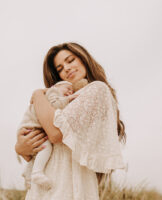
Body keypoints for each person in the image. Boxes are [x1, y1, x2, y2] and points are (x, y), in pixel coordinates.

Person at [15, 42, 126, 200]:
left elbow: (55, 134)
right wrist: (20, 148)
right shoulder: (57, 102)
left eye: (70, 60)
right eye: (59, 68)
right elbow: (36, 142)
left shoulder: (97, 89)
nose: (66, 68)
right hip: (42, 188)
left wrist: (38, 94)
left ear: (83, 59)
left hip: (70, 188)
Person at [19, 80, 78, 190]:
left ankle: (28, 174)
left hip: (31, 127)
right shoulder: (52, 92)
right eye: (67, 88)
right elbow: (54, 104)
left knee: (38, 153)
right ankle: (37, 173)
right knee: (46, 147)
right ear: (56, 86)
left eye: (72, 90)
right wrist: (69, 99)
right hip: (32, 127)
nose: (70, 91)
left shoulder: (52, 94)